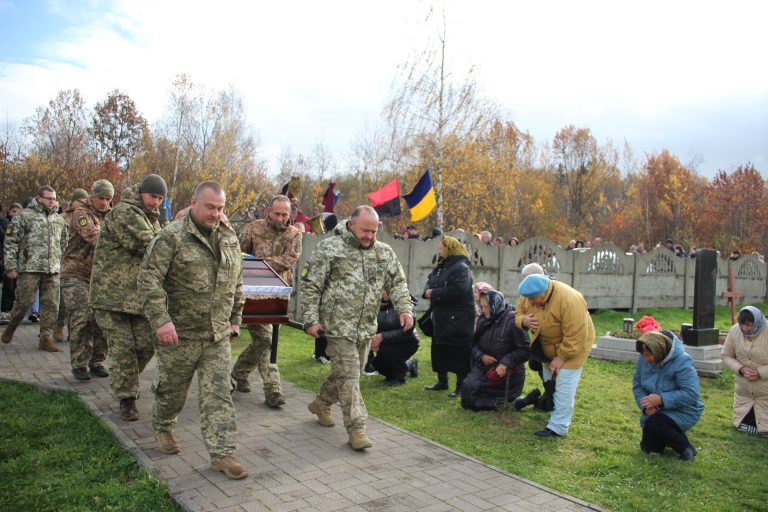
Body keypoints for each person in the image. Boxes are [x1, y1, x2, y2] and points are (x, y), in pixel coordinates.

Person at [138, 181, 247, 480]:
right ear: (194, 203)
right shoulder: (171, 237)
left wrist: (235, 317)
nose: (216, 214)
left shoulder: (229, 237)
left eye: (220, 208)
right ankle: (163, 425)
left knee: (219, 394)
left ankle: (223, 454)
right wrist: (161, 320)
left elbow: (236, 280)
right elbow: (149, 280)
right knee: (172, 390)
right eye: (210, 207)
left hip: (216, 335)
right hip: (179, 334)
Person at [301, 205, 413, 450]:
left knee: (348, 373)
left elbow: (398, 283)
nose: (370, 236)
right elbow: (311, 286)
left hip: (365, 328)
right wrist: (310, 320)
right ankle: (357, 428)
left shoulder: (383, 253)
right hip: (337, 326)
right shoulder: (330, 248)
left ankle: (321, 403)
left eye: (374, 232)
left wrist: (405, 309)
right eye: (365, 230)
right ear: (351, 224)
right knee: (350, 376)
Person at [90, 174, 165, 422]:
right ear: (141, 192)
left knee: (145, 345)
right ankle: (127, 399)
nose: (156, 202)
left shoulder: (150, 218)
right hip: (111, 297)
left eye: (160, 198)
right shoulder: (124, 213)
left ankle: (125, 380)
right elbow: (150, 245)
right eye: (153, 196)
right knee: (123, 349)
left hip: (137, 299)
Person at [231, 195, 302, 408]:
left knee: (264, 340)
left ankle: (239, 372)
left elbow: (290, 259)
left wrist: (261, 263)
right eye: (276, 213)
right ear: (268, 212)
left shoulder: (294, 234)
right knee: (265, 338)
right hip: (251, 292)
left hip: (276, 294)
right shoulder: (254, 228)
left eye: (284, 214)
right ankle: (272, 390)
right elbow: (239, 254)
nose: (280, 218)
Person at [515, 273, 594, 437]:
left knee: (564, 383)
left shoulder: (569, 299)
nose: (529, 302)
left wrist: (561, 358)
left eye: (533, 299)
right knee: (550, 380)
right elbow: (518, 313)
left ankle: (558, 427)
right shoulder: (529, 296)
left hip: (574, 347)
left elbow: (576, 335)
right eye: (527, 298)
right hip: (546, 346)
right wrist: (523, 321)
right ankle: (551, 408)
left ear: (543, 293)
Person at [1, 186, 67, 351]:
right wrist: (10, 266)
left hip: (52, 269)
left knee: (52, 304)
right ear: (39, 198)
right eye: (49, 198)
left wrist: (60, 261)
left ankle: (45, 338)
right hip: (30, 267)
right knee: (24, 301)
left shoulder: (58, 219)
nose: (52, 202)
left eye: (54, 198)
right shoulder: (24, 217)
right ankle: (11, 327)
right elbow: (10, 242)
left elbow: (64, 242)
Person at [60, 180, 114, 381]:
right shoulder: (81, 214)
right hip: (75, 274)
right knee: (82, 318)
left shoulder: (111, 216)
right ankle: (79, 364)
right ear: (92, 196)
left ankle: (97, 361)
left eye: (108, 199)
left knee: (101, 321)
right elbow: (94, 237)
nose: (105, 202)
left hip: (99, 277)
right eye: (101, 198)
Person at [633, 330, 704, 460]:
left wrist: (661, 399)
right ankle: (667, 437)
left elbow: (692, 394)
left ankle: (686, 448)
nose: (645, 359)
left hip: (684, 410)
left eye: (648, 355)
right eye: (643, 355)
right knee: (649, 449)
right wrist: (646, 406)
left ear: (658, 351)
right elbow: (637, 385)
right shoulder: (644, 358)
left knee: (655, 423)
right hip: (656, 411)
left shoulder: (682, 361)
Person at [423, 236, 474, 398]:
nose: (439, 250)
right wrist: (427, 291)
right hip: (441, 316)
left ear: (450, 248)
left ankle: (461, 386)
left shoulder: (461, 267)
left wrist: (434, 293)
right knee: (439, 349)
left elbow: (459, 290)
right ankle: (442, 381)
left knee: (458, 351)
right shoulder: (441, 266)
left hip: (458, 318)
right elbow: (430, 281)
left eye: (441, 247)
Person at [461, 290, 529, 411]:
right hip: (484, 367)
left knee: (479, 398)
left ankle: (515, 401)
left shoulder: (512, 321)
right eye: (482, 306)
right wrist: (481, 356)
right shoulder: (483, 320)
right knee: (467, 394)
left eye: (486, 307)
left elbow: (525, 349)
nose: (483, 310)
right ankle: (509, 403)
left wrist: (505, 363)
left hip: (507, 373)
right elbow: (473, 344)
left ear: (495, 305)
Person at [720, 306, 768, 436]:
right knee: (743, 425)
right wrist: (741, 369)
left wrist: (760, 372)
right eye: (742, 324)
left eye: (748, 325)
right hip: (744, 391)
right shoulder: (735, 331)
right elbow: (726, 355)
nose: (744, 329)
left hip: (765, 390)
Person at [369, 290, 419, 386]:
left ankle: (399, 378)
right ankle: (410, 364)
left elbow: (406, 332)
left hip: (407, 342)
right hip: (387, 342)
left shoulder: (406, 306)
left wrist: (382, 337)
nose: (382, 292)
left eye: (385, 289)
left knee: (388, 353)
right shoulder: (378, 305)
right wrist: (374, 340)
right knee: (376, 364)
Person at [0, 202, 22, 325]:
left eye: (17, 212)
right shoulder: (7, 223)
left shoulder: (24, 223)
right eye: (13, 211)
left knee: (15, 288)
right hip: (8, 260)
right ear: (9, 212)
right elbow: (7, 241)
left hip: (20, 261)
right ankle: (5, 311)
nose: (15, 214)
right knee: (8, 286)